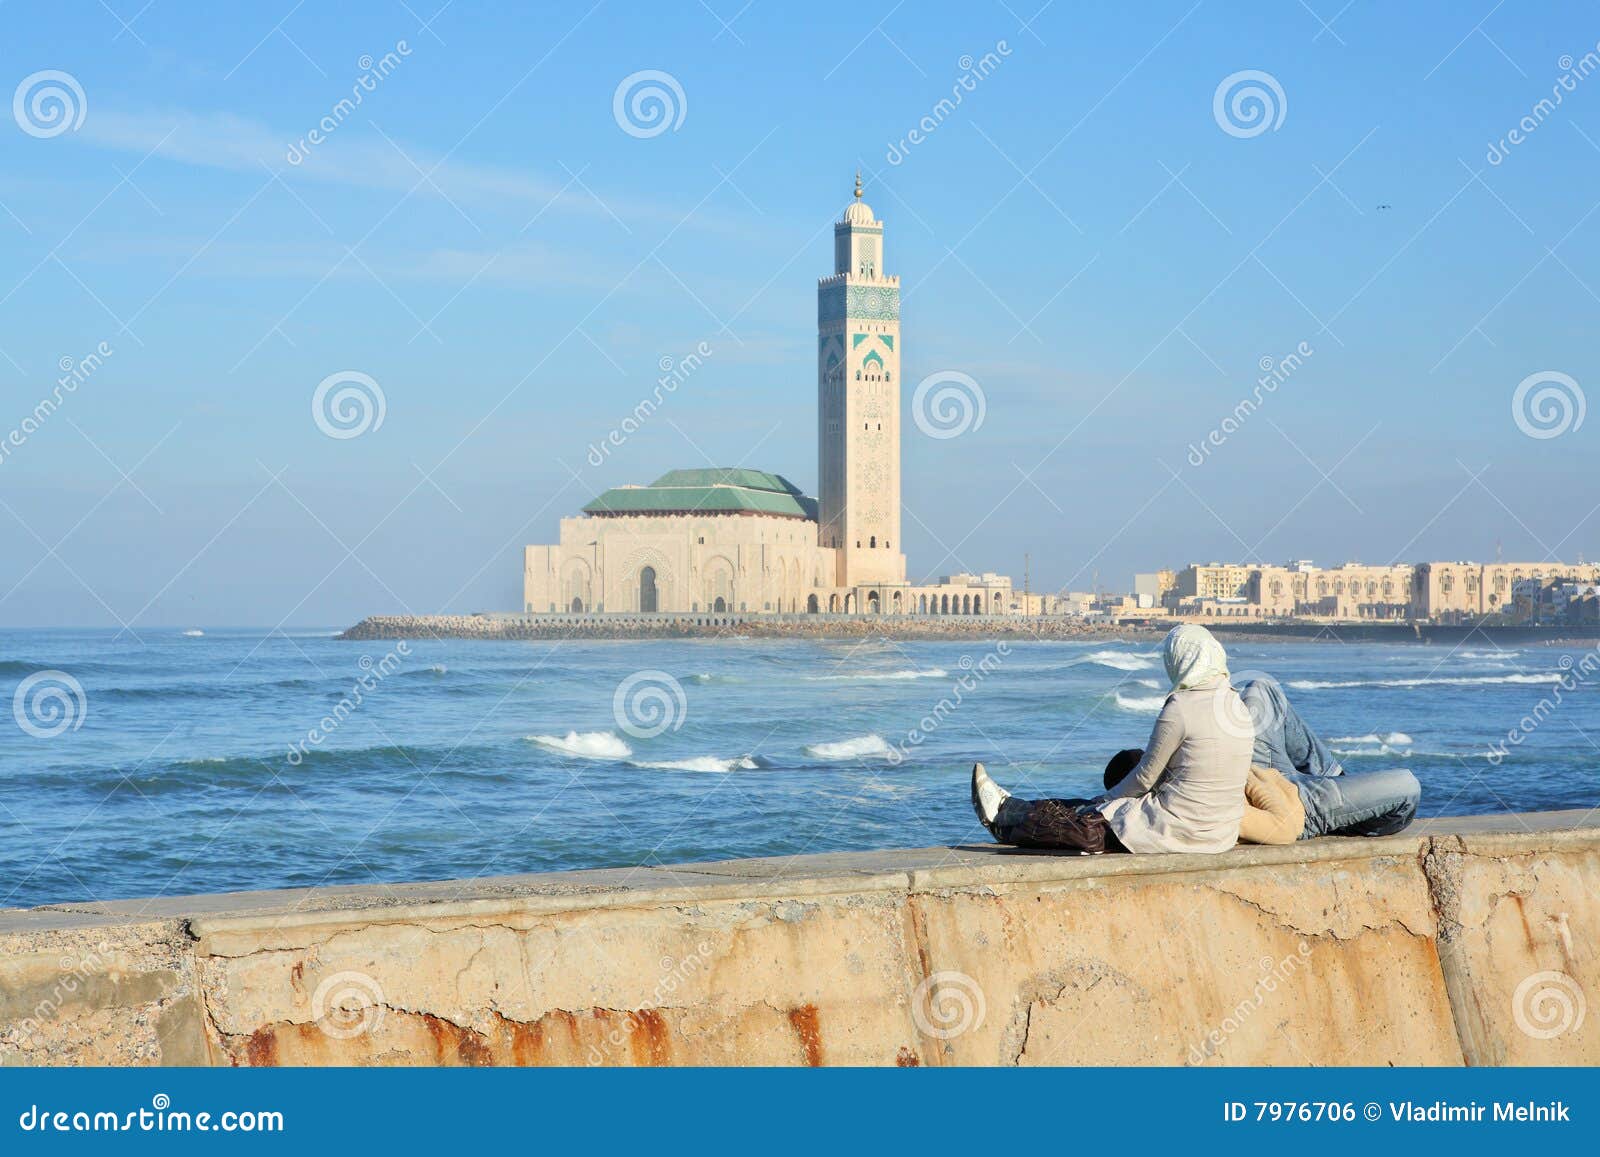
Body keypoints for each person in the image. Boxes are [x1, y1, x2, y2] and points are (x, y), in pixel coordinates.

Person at [972, 624, 1252, 854]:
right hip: (1220, 833)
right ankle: (1011, 807)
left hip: (1181, 830)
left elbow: (1144, 778)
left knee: (1089, 826)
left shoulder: (1181, 707)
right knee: (1099, 805)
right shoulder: (1237, 706)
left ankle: (1005, 821)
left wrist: (1104, 801)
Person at [1235, 674, 1419, 838]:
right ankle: (1346, 819)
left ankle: (1334, 778)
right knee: (1407, 786)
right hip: (1294, 805)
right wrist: (1251, 780)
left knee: (1262, 687)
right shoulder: (1212, 813)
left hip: (1258, 770)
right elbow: (1282, 828)